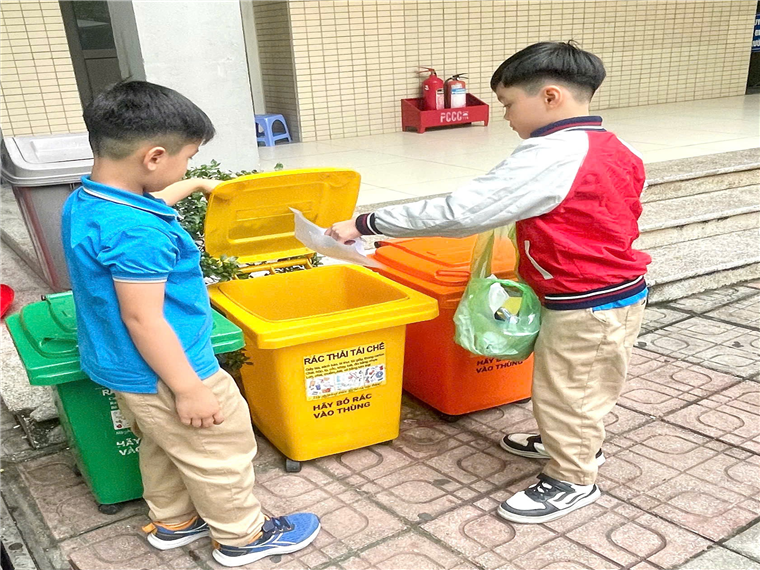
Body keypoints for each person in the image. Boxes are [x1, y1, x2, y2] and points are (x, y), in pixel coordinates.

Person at [327, 41, 650, 524]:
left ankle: (573, 477)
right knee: (576, 383)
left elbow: (463, 212)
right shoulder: (613, 146)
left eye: (508, 104)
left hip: (587, 297)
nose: (506, 117)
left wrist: (367, 223)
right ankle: (573, 441)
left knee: (571, 390)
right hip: (604, 288)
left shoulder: (553, 153)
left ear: (550, 96)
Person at [61, 80, 320, 566]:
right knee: (219, 452)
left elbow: (153, 202)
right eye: (189, 158)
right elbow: (143, 318)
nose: (188, 166)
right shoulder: (138, 233)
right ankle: (243, 538)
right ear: (154, 157)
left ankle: (175, 521)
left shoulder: (91, 201)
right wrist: (189, 388)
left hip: (124, 368)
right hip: (172, 367)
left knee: (164, 444)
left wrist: (197, 184)